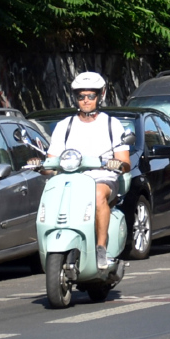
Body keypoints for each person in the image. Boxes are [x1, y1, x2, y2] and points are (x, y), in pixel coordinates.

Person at [42, 72, 130, 269]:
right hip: (70, 180)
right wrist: (41, 165)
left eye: (91, 96)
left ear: (100, 96)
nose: (86, 101)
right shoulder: (65, 126)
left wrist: (117, 164)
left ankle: (100, 247)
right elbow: (51, 160)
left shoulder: (111, 124)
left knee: (98, 194)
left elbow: (125, 161)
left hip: (103, 179)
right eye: (81, 96)